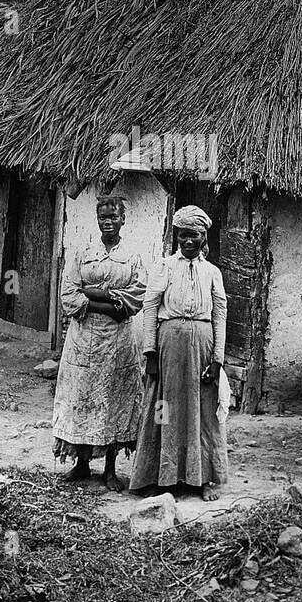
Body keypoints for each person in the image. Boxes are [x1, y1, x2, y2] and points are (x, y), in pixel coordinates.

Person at [132, 204, 229, 502]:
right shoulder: (164, 267)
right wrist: (150, 353)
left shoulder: (211, 272)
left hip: (202, 344)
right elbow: (150, 308)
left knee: (200, 410)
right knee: (164, 408)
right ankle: (163, 477)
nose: (189, 242)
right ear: (176, 236)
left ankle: (200, 479)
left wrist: (217, 360)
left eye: (195, 237)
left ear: (203, 238)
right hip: (168, 343)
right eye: (184, 236)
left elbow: (220, 315)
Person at [51, 195, 146, 491]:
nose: (107, 221)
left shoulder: (132, 256)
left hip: (119, 341)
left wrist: (93, 294)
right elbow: (68, 292)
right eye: (102, 216)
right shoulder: (84, 252)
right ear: (97, 219)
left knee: (115, 400)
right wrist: (107, 302)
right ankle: (81, 464)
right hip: (83, 339)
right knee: (82, 398)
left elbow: (136, 295)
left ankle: (109, 470)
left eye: (113, 216)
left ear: (122, 220)